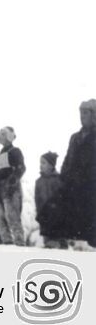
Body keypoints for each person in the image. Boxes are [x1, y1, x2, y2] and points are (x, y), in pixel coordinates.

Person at [61, 99, 96, 247]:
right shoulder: (75, 137)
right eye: (80, 113)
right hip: (74, 185)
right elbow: (68, 158)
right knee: (74, 222)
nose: (82, 116)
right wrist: (63, 176)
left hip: (92, 185)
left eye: (86, 113)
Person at [0, 127, 26, 246]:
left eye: (3, 134)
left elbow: (21, 167)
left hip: (11, 188)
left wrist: (13, 179)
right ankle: (6, 240)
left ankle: (19, 241)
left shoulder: (15, 151)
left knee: (12, 216)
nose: (0, 136)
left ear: (9, 136)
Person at [35, 152, 68, 249]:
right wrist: (39, 213)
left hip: (57, 216)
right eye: (40, 162)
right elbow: (37, 199)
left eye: (43, 163)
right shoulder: (39, 181)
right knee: (48, 240)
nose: (41, 165)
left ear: (51, 165)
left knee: (59, 238)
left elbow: (64, 199)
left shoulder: (58, 180)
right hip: (44, 216)